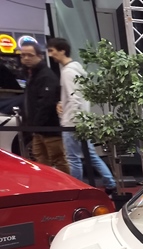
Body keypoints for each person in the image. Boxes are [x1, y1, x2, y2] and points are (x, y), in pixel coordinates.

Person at [46, 38, 116, 192]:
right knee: (89, 155)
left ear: (62, 50)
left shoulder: (68, 72)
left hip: (73, 122)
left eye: (52, 50)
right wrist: (63, 103)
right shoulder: (76, 69)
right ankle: (110, 183)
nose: (50, 54)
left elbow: (75, 98)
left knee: (73, 158)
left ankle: (78, 187)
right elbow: (76, 96)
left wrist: (73, 120)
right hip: (81, 120)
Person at [19, 41, 68, 173]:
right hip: (38, 129)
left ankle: (66, 184)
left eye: (30, 55)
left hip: (49, 128)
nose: (26, 58)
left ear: (39, 56)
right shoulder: (31, 74)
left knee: (58, 160)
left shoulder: (46, 76)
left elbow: (46, 103)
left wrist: (35, 125)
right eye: (23, 55)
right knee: (40, 160)